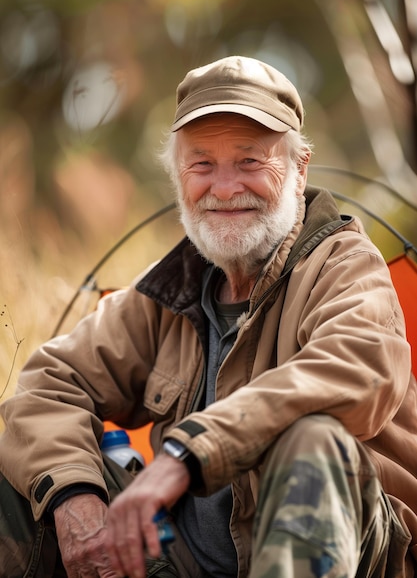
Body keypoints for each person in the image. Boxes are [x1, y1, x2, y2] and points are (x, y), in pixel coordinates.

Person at [0, 55, 416, 578]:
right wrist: (73, 497)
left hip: (357, 556)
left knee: (313, 439)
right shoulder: (171, 287)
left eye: (249, 162)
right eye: (201, 165)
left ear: (299, 169)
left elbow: (357, 369)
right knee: (25, 473)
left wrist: (186, 453)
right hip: (187, 562)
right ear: (179, 177)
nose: (223, 188)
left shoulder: (344, 264)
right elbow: (47, 385)